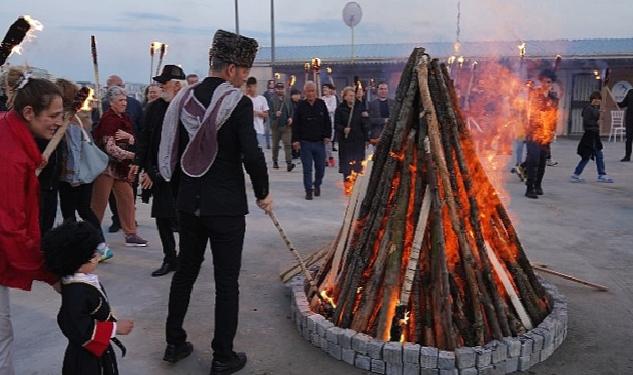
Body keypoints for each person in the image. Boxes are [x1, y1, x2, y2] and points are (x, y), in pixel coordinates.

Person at [158, 29, 271, 373]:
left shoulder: (183, 98)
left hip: (188, 203)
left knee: (185, 273)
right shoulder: (239, 103)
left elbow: (173, 150)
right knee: (226, 282)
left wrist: (179, 195)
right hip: (225, 208)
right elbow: (251, 155)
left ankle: (174, 343)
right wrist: (263, 191)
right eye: (244, 71)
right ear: (233, 68)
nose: (244, 78)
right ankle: (222, 356)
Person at [0, 74, 61, 375]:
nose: (58, 123)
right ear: (28, 113)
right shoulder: (11, 159)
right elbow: (10, 231)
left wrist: (32, 157)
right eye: (53, 116)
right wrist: (50, 274)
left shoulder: (9, 133)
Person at [42, 221, 134, 375]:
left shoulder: (78, 281)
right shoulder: (76, 292)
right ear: (77, 262)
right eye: (93, 255)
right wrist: (115, 328)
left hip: (96, 349)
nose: (98, 256)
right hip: (86, 357)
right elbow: (78, 328)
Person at [134, 65, 186, 277]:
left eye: (164, 83)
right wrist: (143, 166)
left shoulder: (187, 108)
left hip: (182, 176)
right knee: (163, 218)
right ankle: (170, 258)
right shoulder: (154, 108)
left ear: (176, 85)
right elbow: (145, 139)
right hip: (158, 173)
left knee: (183, 220)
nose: (160, 86)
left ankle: (186, 258)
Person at [55, 79, 113, 261]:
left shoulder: (69, 120)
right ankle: (100, 245)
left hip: (73, 175)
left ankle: (81, 249)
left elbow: (73, 150)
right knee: (85, 210)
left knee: (71, 213)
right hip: (85, 173)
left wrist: (72, 177)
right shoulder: (81, 116)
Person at [91, 86, 148, 246]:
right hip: (106, 168)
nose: (124, 103)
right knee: (98, 204)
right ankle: (91, 236)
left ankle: (130, 234)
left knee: (127, 200)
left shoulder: (125, 118)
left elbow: (134, 140)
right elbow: (110, 148)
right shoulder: (108, 119)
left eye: (125, 100)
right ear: (111, 102)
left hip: (120, 168)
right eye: (120, 100)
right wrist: (133, 156)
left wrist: (130, 139)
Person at [292, 81, 332, 200]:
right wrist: (295, 140)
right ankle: (308, 190)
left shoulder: (321, 104)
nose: (310, 93)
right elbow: (296, 124)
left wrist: (327, 136)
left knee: (321, 168)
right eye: (308, 91)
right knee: (307, 168)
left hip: (319, 142)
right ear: (305, 92)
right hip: (305, 143)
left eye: (312, 91)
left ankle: (317, 184)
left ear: (316, 92)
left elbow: (327, 122)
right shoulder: (301, 106)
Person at [524, 69, 559, 199]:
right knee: (533, 160)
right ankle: (529, 187)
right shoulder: (534, 94)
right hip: (533, 132)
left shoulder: (553, 97)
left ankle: (538, 185)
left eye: (549, 82)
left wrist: (552, 131)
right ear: (541, 81)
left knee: (543, 161)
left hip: (546, 134)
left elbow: (554, 115)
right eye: (545, 81)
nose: (547, 84)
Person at [570, 91, 614, 183]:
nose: (597, 101)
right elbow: (586, 122)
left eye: (599, 99)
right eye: (596, 99)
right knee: (587, 156)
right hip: (589, 135)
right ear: (592, 99)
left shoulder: (595, 109)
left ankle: (601, 174)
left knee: (599, 155)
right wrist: (596, 122)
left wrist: (600, 113)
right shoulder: (588, 109)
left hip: (595, 135)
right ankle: (576, 174)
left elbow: (596, 115)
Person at [335, 86, 369, 188]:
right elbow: (336, 124)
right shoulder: (340, 109)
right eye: (350, 96)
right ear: (345, 97)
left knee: (358, 164)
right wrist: (343, 129)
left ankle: (357, 186)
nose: (352, 98)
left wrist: (366, 138)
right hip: (346, 142)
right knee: (347, 165)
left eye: (353, 96)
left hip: (358, 141)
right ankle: (348, 185)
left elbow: (365, 124)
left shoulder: (360, 108)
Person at [268, 82, 295, 171]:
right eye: (279, 88)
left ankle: (289, 163)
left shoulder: (287, 99)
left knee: (287, 144)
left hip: (286, 125)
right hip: (276, 126)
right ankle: (275, 161)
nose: (281, 90)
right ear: (276, 89)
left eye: (282, 88)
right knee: (275, 145)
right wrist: (275, 114)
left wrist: (291, 117)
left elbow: (291, 110)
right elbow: (269, 113)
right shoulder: (272, 100)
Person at [245, 77, 269, 148]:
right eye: (247, 87)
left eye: (250, 87)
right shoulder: (245, 99)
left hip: (259, 130)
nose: (249, 89)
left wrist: (257, 113)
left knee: (258, 151)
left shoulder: (262, 99)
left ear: (255, 86)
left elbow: (266, 115)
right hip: (247, 131)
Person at [322, 83, 338, 166]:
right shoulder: (322, 98)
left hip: (330, 121)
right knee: (323, 140)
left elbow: (332, 109)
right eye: (323, 88)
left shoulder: (333, 98)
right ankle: (325, 158)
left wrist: (325, 104)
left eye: (326, 88)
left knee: (329, 140)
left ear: (330, 90)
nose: (324, 90)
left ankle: (330, 156)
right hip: (322, 122)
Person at [617, 88, 633, 161]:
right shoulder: (630, 92)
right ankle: (627, 156)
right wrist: (617, 103)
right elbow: (624, 103)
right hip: (630, 119)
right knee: (628, 139)